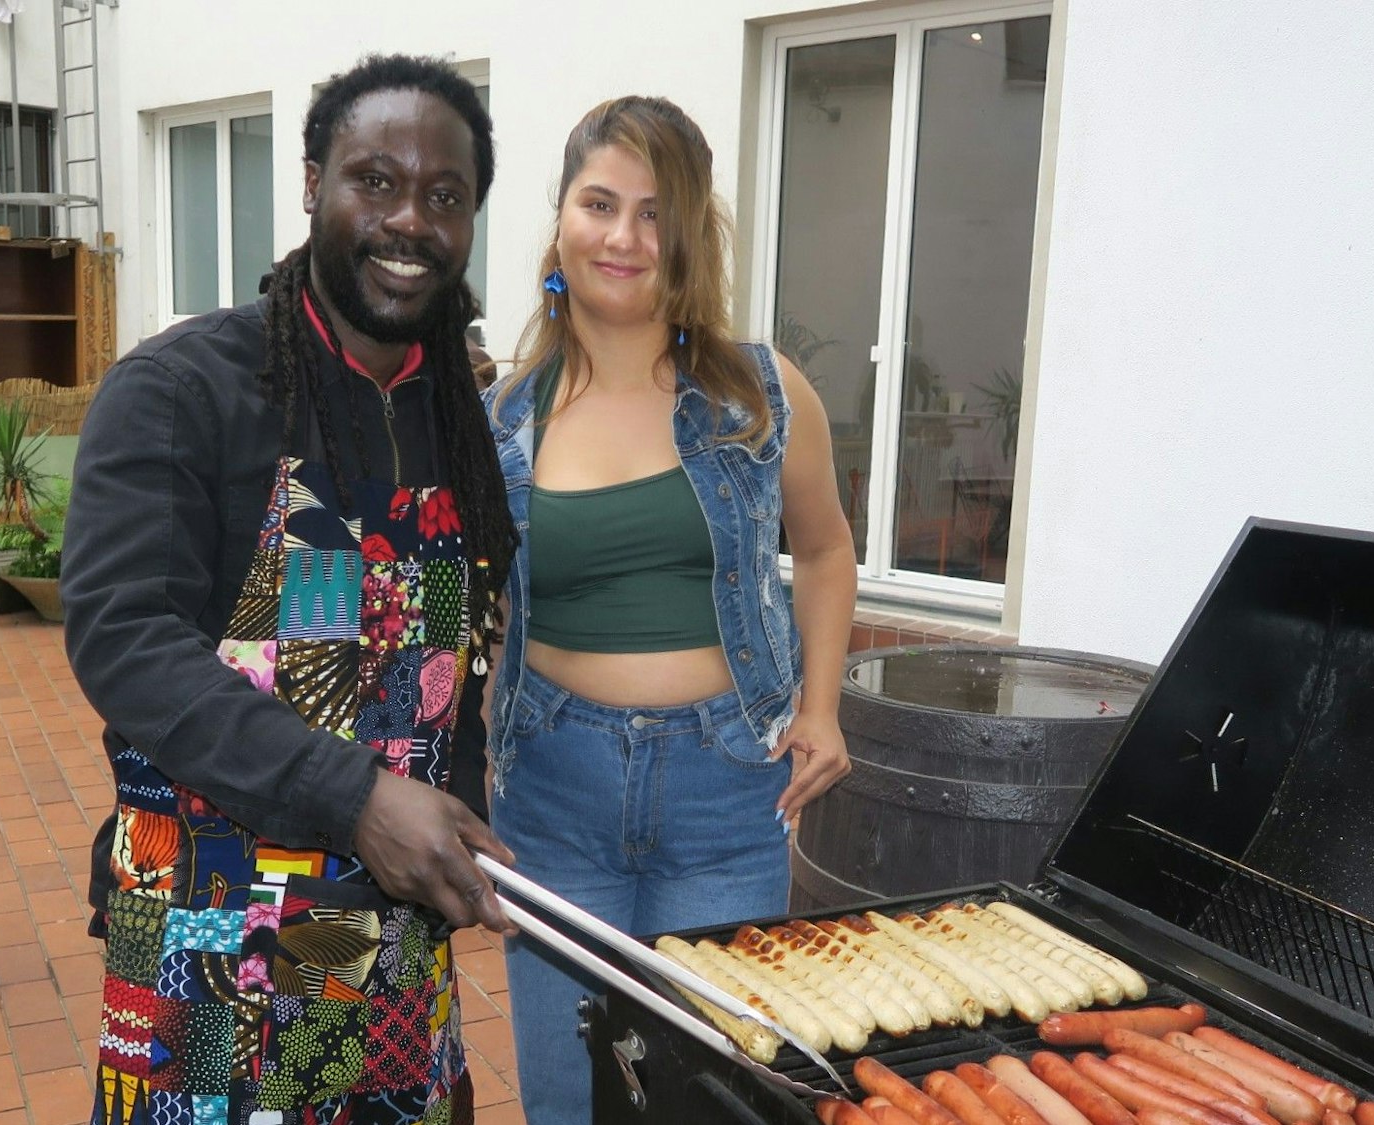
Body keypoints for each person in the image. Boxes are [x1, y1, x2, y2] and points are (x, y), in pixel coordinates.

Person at [62, 54, 517, 1125]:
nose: (409, 220)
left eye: (444, 196)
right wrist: (355, 799)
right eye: (376, 179)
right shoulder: (182, 390)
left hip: (377, 935)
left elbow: (440, 666)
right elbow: (124, 641)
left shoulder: (449, 415)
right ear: (311, 183)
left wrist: (462, 813)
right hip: (207, 921)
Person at [484, 96, 858, 1123]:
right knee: (567, 1100)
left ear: (686, 235)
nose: (624, 237)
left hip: (723, 793)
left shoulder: (760, 396)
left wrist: (820, 709)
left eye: (655, 213)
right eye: (599, 203)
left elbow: (823, 549)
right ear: (559, 218)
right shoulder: (499, 423)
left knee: (711, 1098)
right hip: (552, 799)